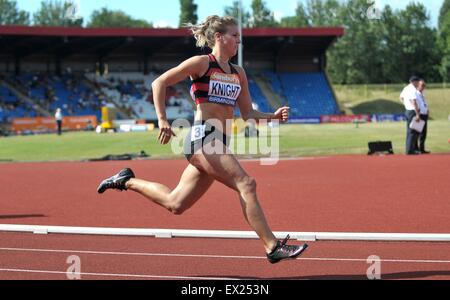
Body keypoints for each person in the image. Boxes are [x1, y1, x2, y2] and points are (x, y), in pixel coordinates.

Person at [97, 15, 308, 264]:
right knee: (246, 183)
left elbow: (248, 113)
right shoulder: (202, 64)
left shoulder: (238, 72)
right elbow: (159, 82)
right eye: (234, 35)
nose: (239, 40)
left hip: (219, 142)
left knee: (175, 203)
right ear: (219, 37)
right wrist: (162, 119)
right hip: (203, 138)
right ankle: (271, 246)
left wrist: (272, 116)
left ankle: (126, 180)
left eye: (239, 36)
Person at [400, 76, 421, 155]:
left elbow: (401, 97)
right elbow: (414, 102)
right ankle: (410, 150)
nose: (418, 83)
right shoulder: (412, 89)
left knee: (410, 131)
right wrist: (417, 114)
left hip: (407, 111)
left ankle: (410, 149)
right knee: (412, 132)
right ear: (414, 81)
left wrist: (406, 104)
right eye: (418, 82)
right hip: (412, 111)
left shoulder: (406, 88)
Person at [415, 80, 430, 154]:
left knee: (424, 133)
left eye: (424, 86)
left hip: (424, 114)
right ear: (418, 85)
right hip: (420, 114)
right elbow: (416, 104)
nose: (423, 87)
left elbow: (424, 104)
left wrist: (427, 110)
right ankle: (416, 148)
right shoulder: (416, 94)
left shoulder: (422, 94)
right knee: (417, 132)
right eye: (422, 85)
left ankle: (422, 148)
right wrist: (417, 114)